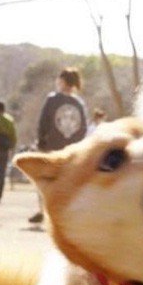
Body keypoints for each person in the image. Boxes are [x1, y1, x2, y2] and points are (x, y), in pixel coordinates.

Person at [28, 68, 88, 223]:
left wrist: (41, 141)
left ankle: (44, 211)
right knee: (67, 183)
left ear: (62, 81)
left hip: (52, 148)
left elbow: (43, 123)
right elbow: (83, 129)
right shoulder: (79, 103)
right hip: (71, 152)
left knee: (46, 180)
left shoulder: (52, 99)